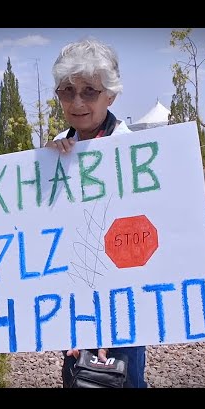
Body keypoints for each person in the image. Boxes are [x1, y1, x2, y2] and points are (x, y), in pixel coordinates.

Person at [45, 38, 148, 388]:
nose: (77, 102)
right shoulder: (57, 149)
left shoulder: (133, 154)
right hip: (72, 305)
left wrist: (106, 325)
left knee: (121, 381)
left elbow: (140, 248)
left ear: (111, 95)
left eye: (89, 91)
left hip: (121, 307)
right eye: (67, 90)